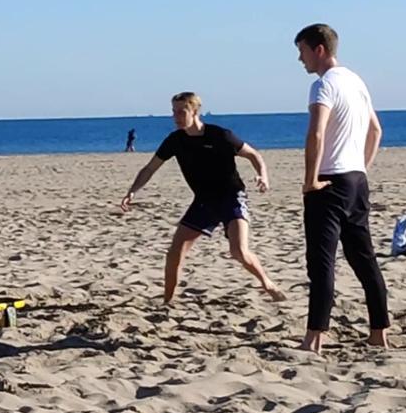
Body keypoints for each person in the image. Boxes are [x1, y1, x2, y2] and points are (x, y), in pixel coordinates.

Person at [121, 92, 286, 305]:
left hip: (231, 197)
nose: (176, 117)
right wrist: (132, 191)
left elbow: (254, 155)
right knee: (175, 251)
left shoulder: (220, 135)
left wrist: (263, 175)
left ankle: (267, 283)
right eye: (174, 112)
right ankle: (167, 302)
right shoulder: (175, 140)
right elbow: (150, 168)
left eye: (181, 112)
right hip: (203, 202)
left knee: (238, 251)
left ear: (195, 111)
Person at [295, 23, 389, 355]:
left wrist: (310, 180)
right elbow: (375, 130)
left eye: (302, 51)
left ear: (319, 49)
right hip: (355, 181)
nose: (300, 58)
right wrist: (361, 167)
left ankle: (313, 338)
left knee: (321, 262)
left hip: (330, 182)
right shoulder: (356, 81)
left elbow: (316, 134)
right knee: (364, 259)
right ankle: (379, 333)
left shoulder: (323, 85)